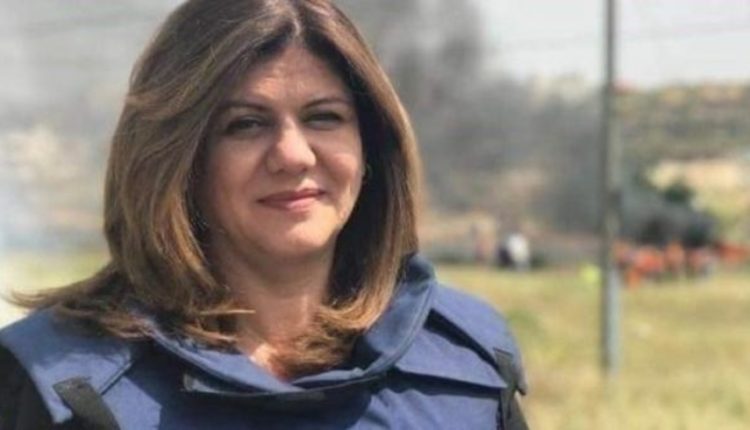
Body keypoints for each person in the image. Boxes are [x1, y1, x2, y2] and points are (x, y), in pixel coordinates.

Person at [0, 1, 528, 428]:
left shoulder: (471, 367)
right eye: (246, 125)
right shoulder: (64, 387)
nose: (293, 155)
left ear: (370, 148)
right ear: (177, 160)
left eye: (324, 117)